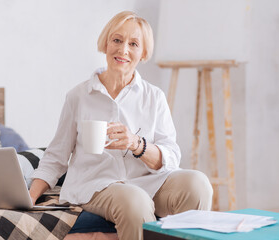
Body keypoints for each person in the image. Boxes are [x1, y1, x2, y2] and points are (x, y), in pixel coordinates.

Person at [29, 11, 213, 240]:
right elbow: (55, 157)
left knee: (198, 184)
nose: (123, 50)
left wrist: (138, 145)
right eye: (117, 40)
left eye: (134, 44)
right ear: (106, 43)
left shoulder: (154, 97)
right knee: (135, 200)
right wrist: (30, 196)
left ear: (143, 52)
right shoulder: (78, 96)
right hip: (97, 185)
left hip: (149, 181)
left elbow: (172, 158)